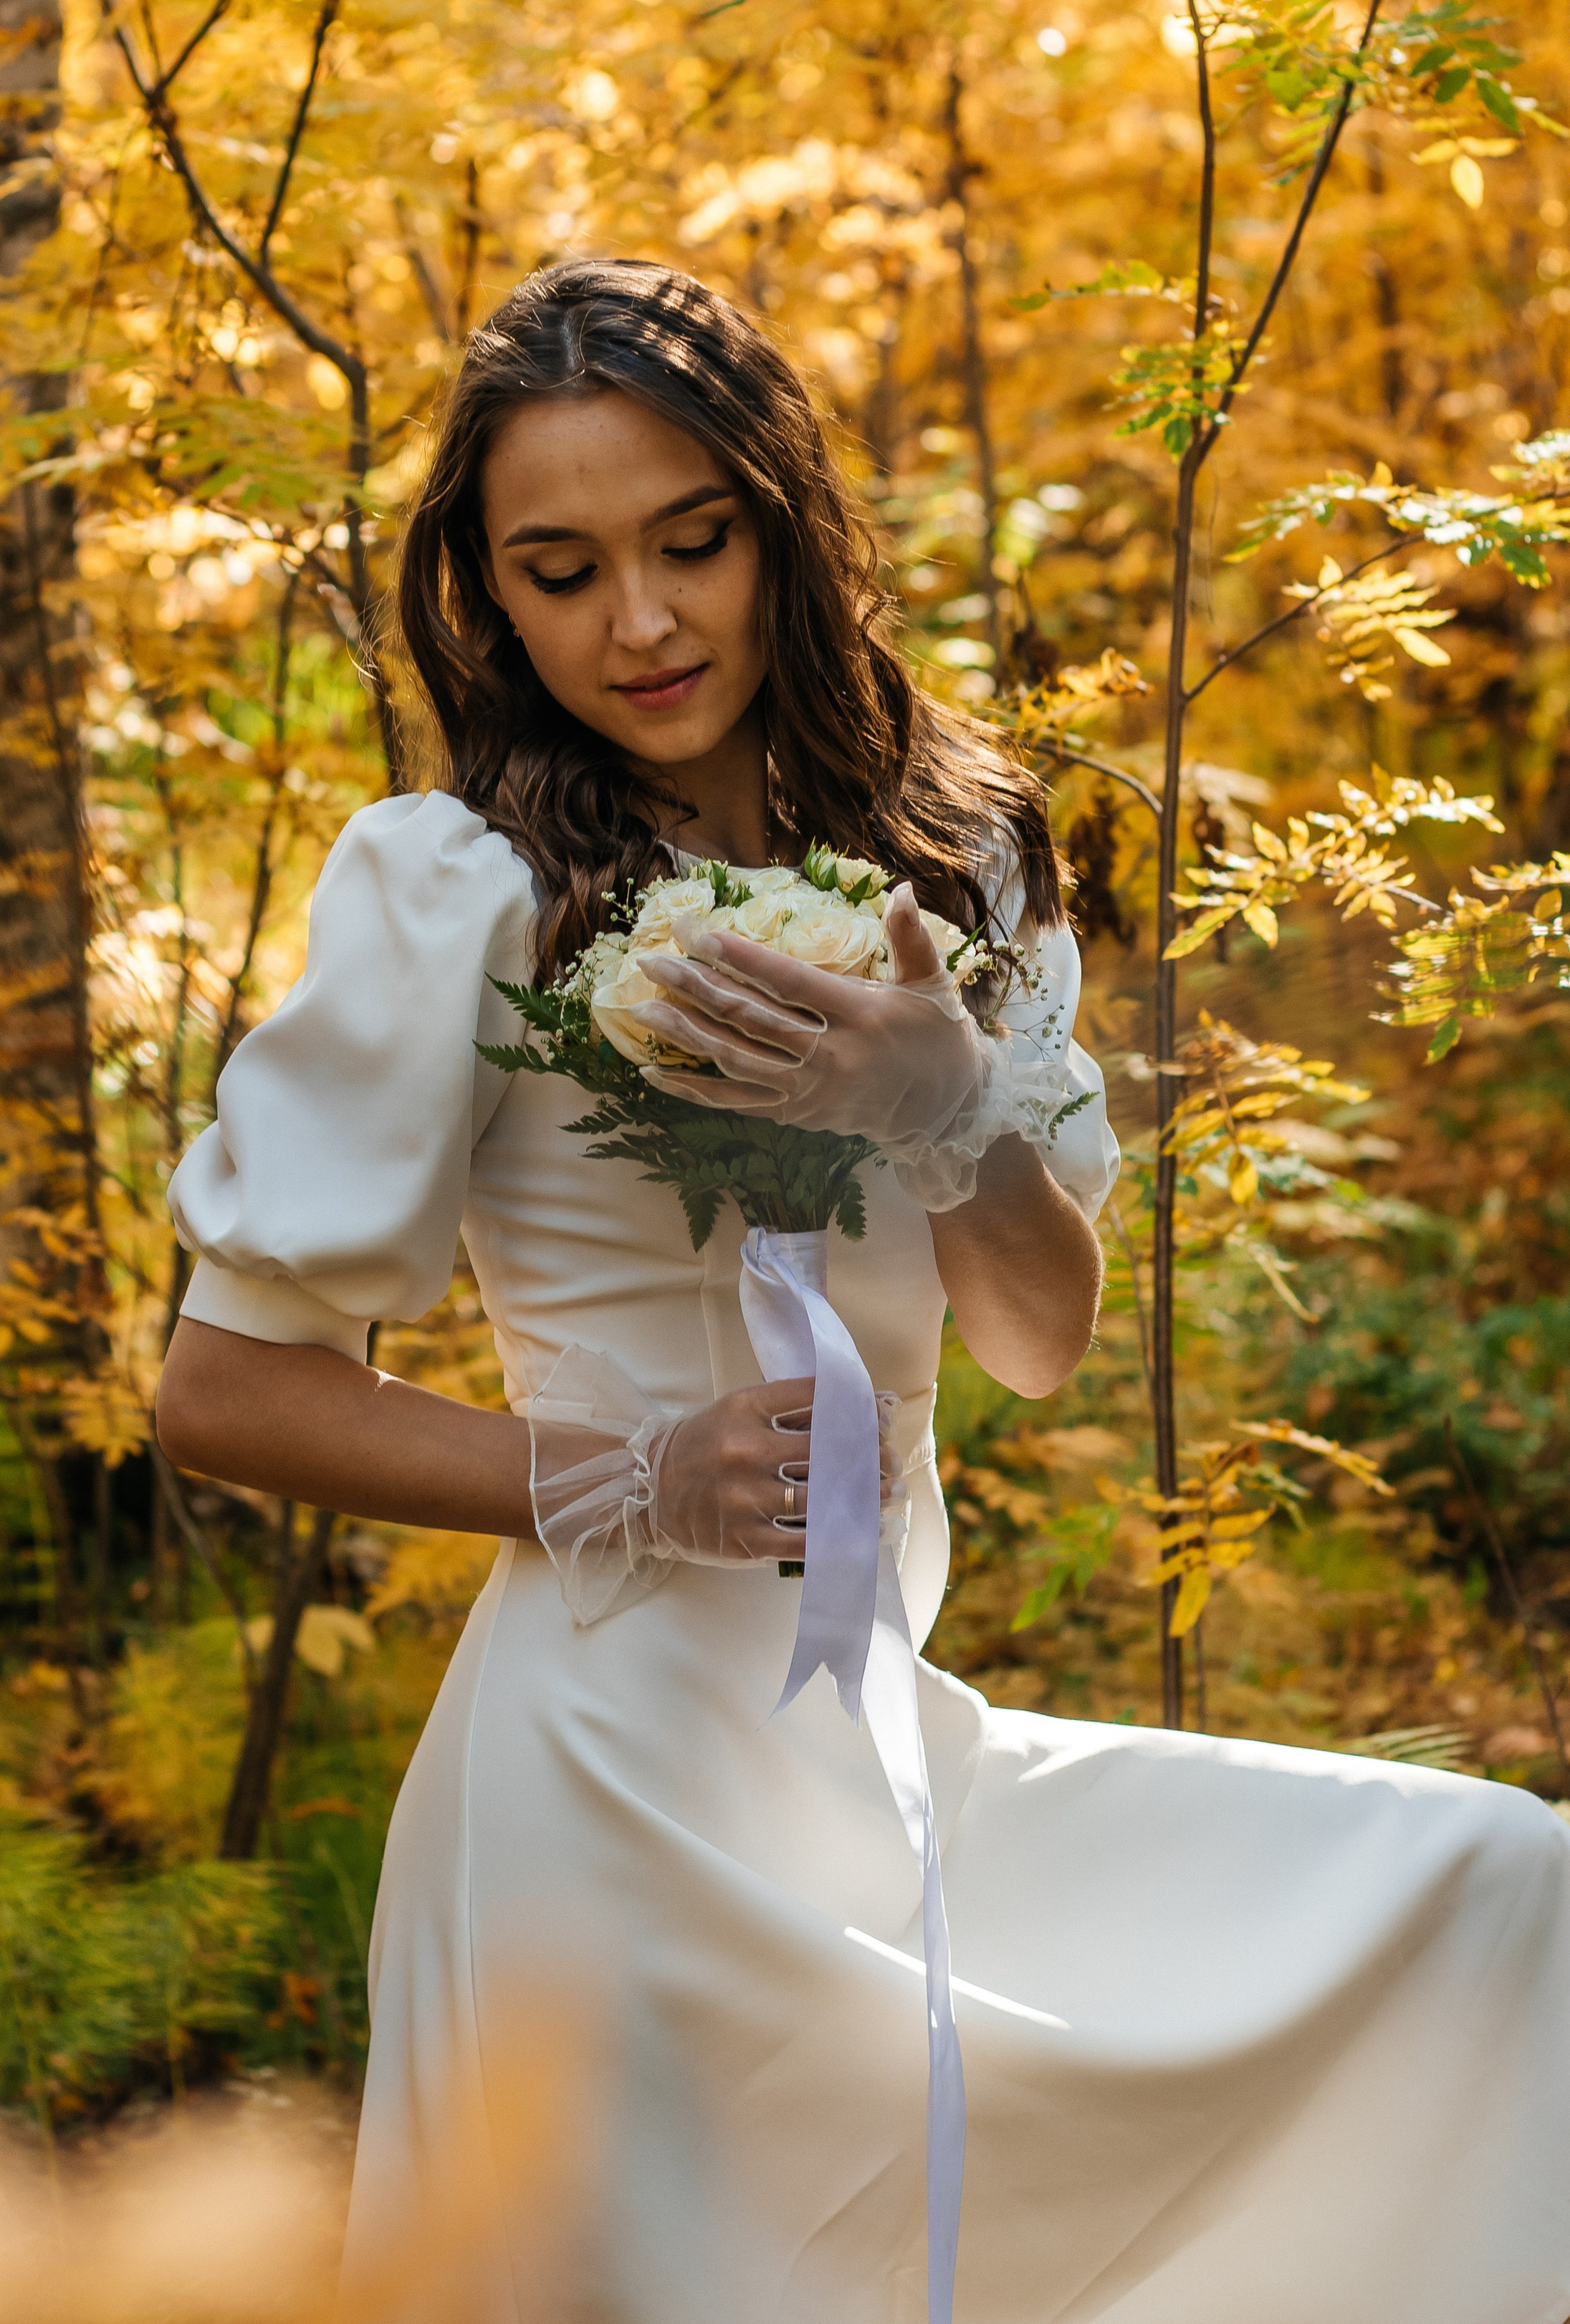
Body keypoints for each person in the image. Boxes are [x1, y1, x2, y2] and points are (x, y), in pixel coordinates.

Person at [158, 259, 1570, 2324]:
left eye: (692, 543)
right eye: (561, 571)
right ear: (487, 593)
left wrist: (950, 1115)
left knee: (1498, 1885)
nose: (640, 623)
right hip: (600, 1797)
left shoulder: (958, 852)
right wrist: (631, 1475)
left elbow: (1036, 1341)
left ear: (783, 526)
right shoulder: (458, 888)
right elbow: (222, 1391)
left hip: (884, 1758)